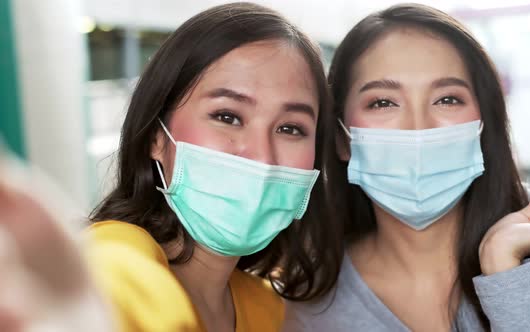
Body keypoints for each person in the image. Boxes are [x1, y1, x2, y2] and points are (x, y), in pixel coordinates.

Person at [0, 2, 334, 331]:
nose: (262, 156)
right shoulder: (119, 254)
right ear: (157, 139)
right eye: (227, 117)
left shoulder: (270, 309)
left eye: (291, 128)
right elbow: (115, 290)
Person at [282, 4, 530, 331]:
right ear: (343, 139)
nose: (419, 128)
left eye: (447, 99)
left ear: (484, 123)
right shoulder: (311, 304)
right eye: (382, 102)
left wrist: (508, 279)